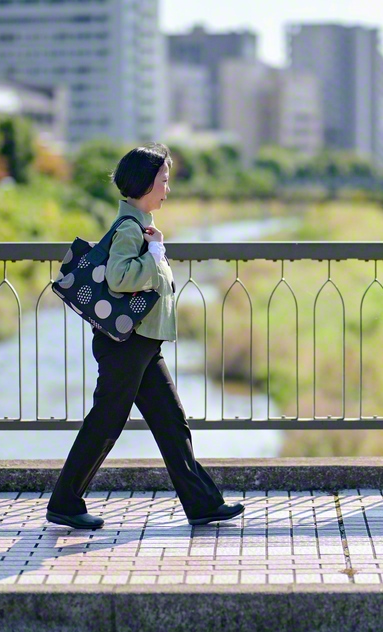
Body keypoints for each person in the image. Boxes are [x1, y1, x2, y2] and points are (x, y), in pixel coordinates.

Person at [46, 143, 244, 530]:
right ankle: (65, 502)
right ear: (144, 183)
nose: (167, 190)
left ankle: (202, 503)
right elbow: (120, 278)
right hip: (126, 345)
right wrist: (153, 256)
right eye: (163, 181)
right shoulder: (129, 229)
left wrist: (155, 250)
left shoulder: (142, 227)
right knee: (106, 421)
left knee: (172, 423)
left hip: (141, 345)